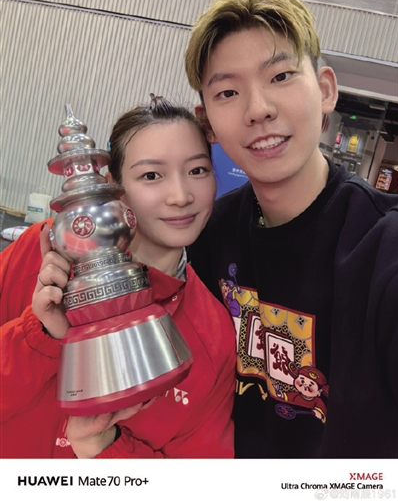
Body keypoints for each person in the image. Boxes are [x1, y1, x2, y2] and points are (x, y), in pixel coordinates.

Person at [184, 0, 398, 458]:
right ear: (208, 123)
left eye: (280, 76)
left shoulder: (385, 249)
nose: (258, 109)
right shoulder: (208, 235)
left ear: (325, 90)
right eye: (227, 92)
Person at [0, 95, 236, 458]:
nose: (180, 196)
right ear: (112, 186)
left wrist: (103, 449)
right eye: (151, 175)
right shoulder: (38, 256)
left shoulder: (212, 331)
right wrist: (39, 335)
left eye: (197, 170)